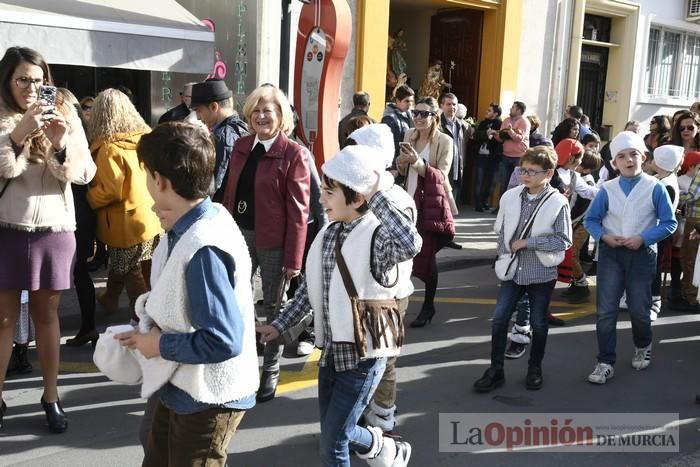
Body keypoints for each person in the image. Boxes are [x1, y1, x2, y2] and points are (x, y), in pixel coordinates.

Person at [257, 144, 420, 467]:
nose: (322, 200)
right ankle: (383, 447)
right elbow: (308, 291)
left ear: (357, 197)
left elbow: (410, 243)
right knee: (337, 431)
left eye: (329, 193)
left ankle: (381, 446)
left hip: (364, 354)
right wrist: (278, 325)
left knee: (332, 443)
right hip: (332, 354)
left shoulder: (376, 235)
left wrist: (375, 192)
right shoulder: (328, 234)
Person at [115, 122, 258, 466]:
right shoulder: (189, 225)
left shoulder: (203, 245)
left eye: (146, 174)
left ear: (160, 181)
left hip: (208, 397)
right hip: (184, 385)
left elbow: (224, 340)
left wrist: (158, 344)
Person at [0, 46, 95, 433]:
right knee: (3, 319)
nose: (31, 87)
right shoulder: (3, 117)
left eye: (39, 80)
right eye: (23, 79)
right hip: (7, 227)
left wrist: (61, 144)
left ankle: (51, 396)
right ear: (7, 79)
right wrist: (18, 136)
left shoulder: (65, 113)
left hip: (54, 230)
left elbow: (85, 173)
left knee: (47, 317)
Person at [222, 85, 311, 403]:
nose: (260, 116)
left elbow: (299, 213)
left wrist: (294, 258)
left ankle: (270, 370)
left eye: (267, 111)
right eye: (256, 111)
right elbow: (229, 193)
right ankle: (240, 364)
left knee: (274, 307)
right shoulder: (242, 146)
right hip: (240, 235)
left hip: (274, 241)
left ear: (281, 116)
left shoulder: (294, 154)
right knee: (236, 301)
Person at [473, 146, 572, 393]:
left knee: (539, 323)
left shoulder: (557, 202)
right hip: (513, 270)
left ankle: (534, 368)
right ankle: (496, 370)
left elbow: (563, 240)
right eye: (522, 170)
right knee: (499, 320)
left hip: (541, 272)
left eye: (532, 171)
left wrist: (530, 242)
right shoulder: (511, 196)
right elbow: (502, 231)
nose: (525, 175)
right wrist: (503, 255)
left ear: (548, 174)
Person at [584, 131, 676, 385]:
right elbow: (590, 220)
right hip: (611, 254)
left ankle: (643, 344)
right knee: (605, 311)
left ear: (643, 157)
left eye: (633, 154)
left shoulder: (655, 187)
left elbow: (669, 223)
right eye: (621, 156)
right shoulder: (607, 189)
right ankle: (605, 361)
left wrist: (643, 238)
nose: (628, 160)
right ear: (614, 163)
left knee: (639, 308)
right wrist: (604, 236)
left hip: (642, 255)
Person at [346, 123, 418, 434]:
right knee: (362, 356)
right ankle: (363, 412)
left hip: (388, 294)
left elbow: (406, 246)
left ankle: (383, 416)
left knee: (383, 359)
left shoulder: (394, 198)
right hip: (360, 290)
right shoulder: (359, 193)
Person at [87, 89, 161, 323]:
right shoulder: (145, 139)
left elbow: (110, 190)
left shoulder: (109, 148)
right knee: (145, 265)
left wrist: (88, 197)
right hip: (149, 215)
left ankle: (141, 317)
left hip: (123, 222)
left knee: (131, 270)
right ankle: (113, 298)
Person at [397, 96, 455, 328]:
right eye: (415, 113)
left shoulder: (444, 141)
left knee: (427, 255)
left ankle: (428, 306)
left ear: (434, 116)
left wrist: (418, 163)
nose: (418, 118)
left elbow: (441, 175)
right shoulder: (408, 134)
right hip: (407, 201)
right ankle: (399, 300)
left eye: (424, 114)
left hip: (431, 205)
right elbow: (403, 169)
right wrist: (402, 161)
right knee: (405, 253)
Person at [58, 88, 99, 347]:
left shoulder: (81, 140)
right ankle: (88, 327)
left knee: (78, 272)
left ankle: (88, 327)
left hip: (73, 211)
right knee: (80, 272)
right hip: (81, 211)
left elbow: (84, 176)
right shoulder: (88, 137)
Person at [190, 79, 248, 203]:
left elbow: (216, 184)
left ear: (214, 106)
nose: (199, 118)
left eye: (199, 110)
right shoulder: (244, 128)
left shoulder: (221, 136)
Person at [649, 145, 684, 320]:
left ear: (661, 162)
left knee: (653, 266)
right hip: (655, 231)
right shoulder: (663, 179)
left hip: (657, 232)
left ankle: (654, 301)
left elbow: (659, 212)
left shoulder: (666, 184)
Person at [494, 101, 530, 211]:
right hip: (506, 156)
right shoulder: (506, 120)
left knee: (517, 184)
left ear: (519, 110)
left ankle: (515, 208)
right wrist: (495, 135)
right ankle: (501, 207)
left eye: (513, 107)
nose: (511, 108)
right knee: (503, 182)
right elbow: (501, 137)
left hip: (519, 157)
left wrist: (510, 132)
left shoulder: (524, 122)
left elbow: (519, 138)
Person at [438, 92, 471, 214]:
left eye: (454, 104)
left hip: (458, 169)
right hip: (443, 170)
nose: (452, 107)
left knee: (453, 207)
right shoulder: (437, 124)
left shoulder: (463, 126)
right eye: (448, 104)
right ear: (442, 106)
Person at [474, 103, 503, 212]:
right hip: (481, 156)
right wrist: (485, 133)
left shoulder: (500, 124)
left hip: (493, 157)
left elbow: (502, 138)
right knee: (479, 181)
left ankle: (484, 201)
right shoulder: (482, 123)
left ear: (496, 113)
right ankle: (478, 204)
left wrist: (495, 134)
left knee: (491, 183)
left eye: (489, 110)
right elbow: (476, 136)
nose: (486, 112)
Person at [381, 84, 414, 172]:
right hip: (395, 167)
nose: (410, 104)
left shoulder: (411, 116)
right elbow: (386, 145)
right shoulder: (389, 119)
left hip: (407, 163)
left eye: (411, 101)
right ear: (397, 101)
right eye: (407, 101)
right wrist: (391, 168)